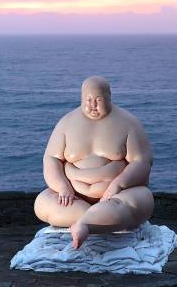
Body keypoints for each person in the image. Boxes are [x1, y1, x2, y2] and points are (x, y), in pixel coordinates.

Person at [34, 76, 154, 249]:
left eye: (98, 100)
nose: (92, 105)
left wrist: (117, 186)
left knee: (138, 202)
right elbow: (51, 158)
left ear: (108, 97)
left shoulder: (129, 123)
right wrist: (62, 187)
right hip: (74, 200)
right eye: (87, 100)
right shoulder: (67, 122)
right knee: (42, 203)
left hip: (118, 198)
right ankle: (90, 219)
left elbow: (142, 162)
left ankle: (85, 225)